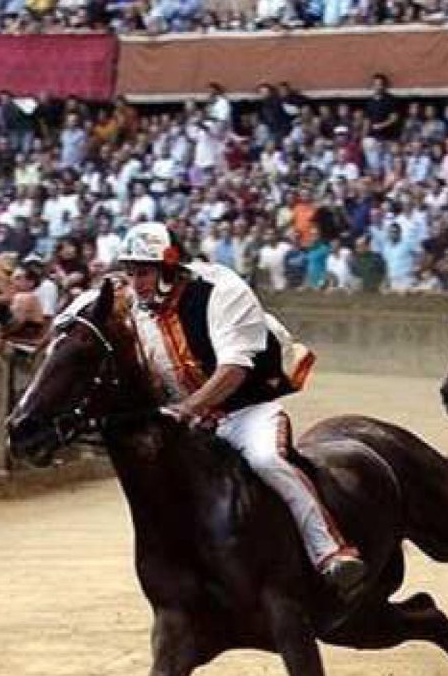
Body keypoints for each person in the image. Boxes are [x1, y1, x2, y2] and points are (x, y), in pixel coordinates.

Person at [115, 222, 365, 596]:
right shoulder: (135, 310)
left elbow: (234, 370)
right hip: (189, 425)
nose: (136, 282)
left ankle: (330, 551)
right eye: (131, 273)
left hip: (245, 413)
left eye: (145, 272)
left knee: (268, 460)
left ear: (169, 269)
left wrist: (187, 409)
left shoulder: (220, 290)